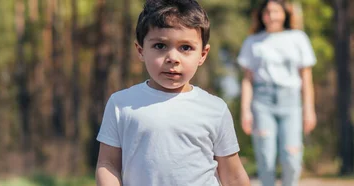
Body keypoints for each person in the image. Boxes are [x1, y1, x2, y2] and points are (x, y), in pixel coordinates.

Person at [95, 0, 251, 185]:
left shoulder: (215, 108)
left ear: (202, 54)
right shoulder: (121, 104)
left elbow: (232, 174)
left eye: (185, 48)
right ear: (141, 50)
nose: (172, 58)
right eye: (160, 46)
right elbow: (108, 164)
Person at [237, 0, 317, 186]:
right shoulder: (253, 41)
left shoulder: (298, 38)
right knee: (265, 157)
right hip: (262, 102)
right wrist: (245, 110)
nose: (271, 16)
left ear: (284, 14)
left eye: (275, 11)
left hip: (291, 102)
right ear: (261, 15)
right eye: (267, 12)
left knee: (291, 157)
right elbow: (247, 79)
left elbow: (306, 78)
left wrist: (309, 109)